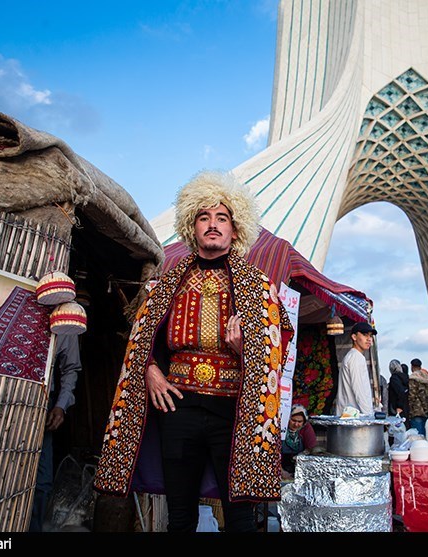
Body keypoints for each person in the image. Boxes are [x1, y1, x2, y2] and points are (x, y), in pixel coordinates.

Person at [92, 170, 294, 532]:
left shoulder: (258, 286)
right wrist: (150, 369)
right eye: (204, 217)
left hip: (233, 413)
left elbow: (277, 347)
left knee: (240, 518)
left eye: (222, 218)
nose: (213, 225)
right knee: (180, 515)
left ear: (235, 229)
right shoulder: (166, 283)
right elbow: (141, 340)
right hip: (178, 408)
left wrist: (243, 349)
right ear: (192, 226)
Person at [29, 333, 81, 532]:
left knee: (42, 481)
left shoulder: (66, 315)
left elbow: (70, 368)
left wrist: (60, 405)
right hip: (3, 395)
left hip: (43, 399)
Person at [333, 322, 377, 416]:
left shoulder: (353, 356)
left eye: (370, 336)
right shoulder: (356, 358)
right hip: (354, 417)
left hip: (350, 415)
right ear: (354, 337)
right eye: (365, 335)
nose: (369, 339)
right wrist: (369, 416)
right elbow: (359, 390)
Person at [281, 404, 317, 479]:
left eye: (299, 421)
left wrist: (302, 456)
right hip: (280, 466)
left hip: (299, 466)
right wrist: (281, 472)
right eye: (293, 420)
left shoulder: (306, 428)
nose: (296, 424)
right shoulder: (281, 427)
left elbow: (312, 448)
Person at [407, 358, 428, 435]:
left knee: (418, 435)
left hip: (416, 410)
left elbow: (412, 395)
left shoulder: (413, 378)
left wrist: (409, 407)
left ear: (412, 366)